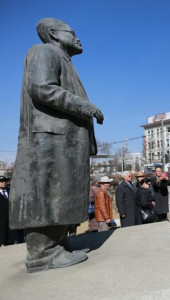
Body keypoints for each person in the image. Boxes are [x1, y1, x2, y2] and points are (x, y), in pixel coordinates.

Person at [9, 18, 104, 272]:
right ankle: (42, 255)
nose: (78, 37)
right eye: (72, 32)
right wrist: (86, 106)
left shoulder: (62, 58)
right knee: (49, 195)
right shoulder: (43, 51)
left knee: (61, 196)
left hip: (64, 142)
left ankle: (58, 246)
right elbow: (41, 88)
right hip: (51, 140)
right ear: (53, 33)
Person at [0, 176, 24, 246]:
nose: (3, 183)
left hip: (11, 218)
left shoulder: (10, 191)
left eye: (4, 181)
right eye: (1, 182)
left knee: (10, 239)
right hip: (1, 220)